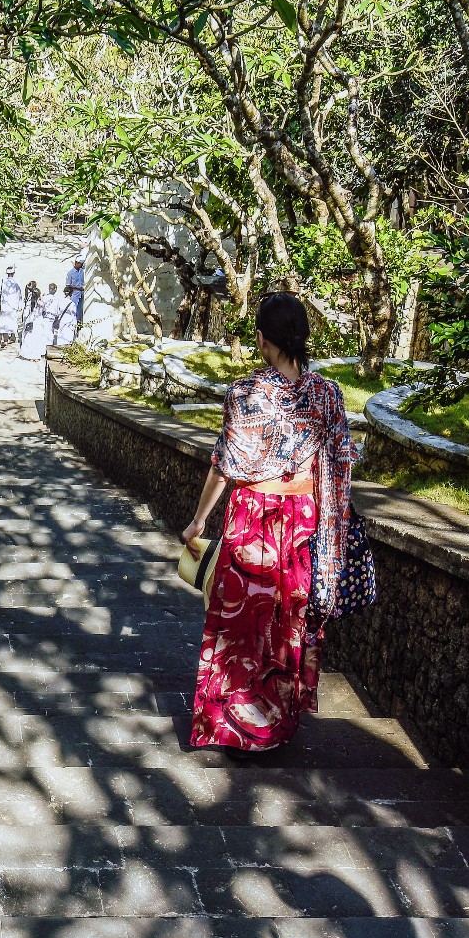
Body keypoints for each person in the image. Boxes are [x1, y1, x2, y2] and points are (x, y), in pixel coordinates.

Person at [180, 293, 357, 752]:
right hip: (301, 523)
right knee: (285, 620)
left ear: (263, 338)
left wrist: (199, 521)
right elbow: (339, 463)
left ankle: (229, 724)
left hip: (251, 518)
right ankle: (273, 726)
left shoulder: (245, 392)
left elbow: (225, 464)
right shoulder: (327, 394)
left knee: (239, 622)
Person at [18, 281, 49, 360]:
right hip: (38, 322)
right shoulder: (41, 303)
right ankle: (37, 355)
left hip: (31, 320)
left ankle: (29, 354)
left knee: (29, 338)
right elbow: (45, 310)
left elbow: (26, 313)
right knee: (37, 338)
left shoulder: (30, 302)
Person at [0, 266, 22, 342]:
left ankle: (4, 339)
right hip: (13, 305)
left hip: (4, 304)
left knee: (4, 320)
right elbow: (19, 294)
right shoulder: (17, 282)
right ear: (13, 273)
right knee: (13, 320)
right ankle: (12, 337)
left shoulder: (3, 281)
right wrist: (20, 305)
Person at [64, 257, 87, 325]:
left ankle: (79, 323)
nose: (82, 265)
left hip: (82, 294)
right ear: (77, 263)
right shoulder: (70, 273)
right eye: (80, 263)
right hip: (74, 294)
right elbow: (68, 285)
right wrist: (78, 288)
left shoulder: (82, 271)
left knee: (80, 310)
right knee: (74, 310)